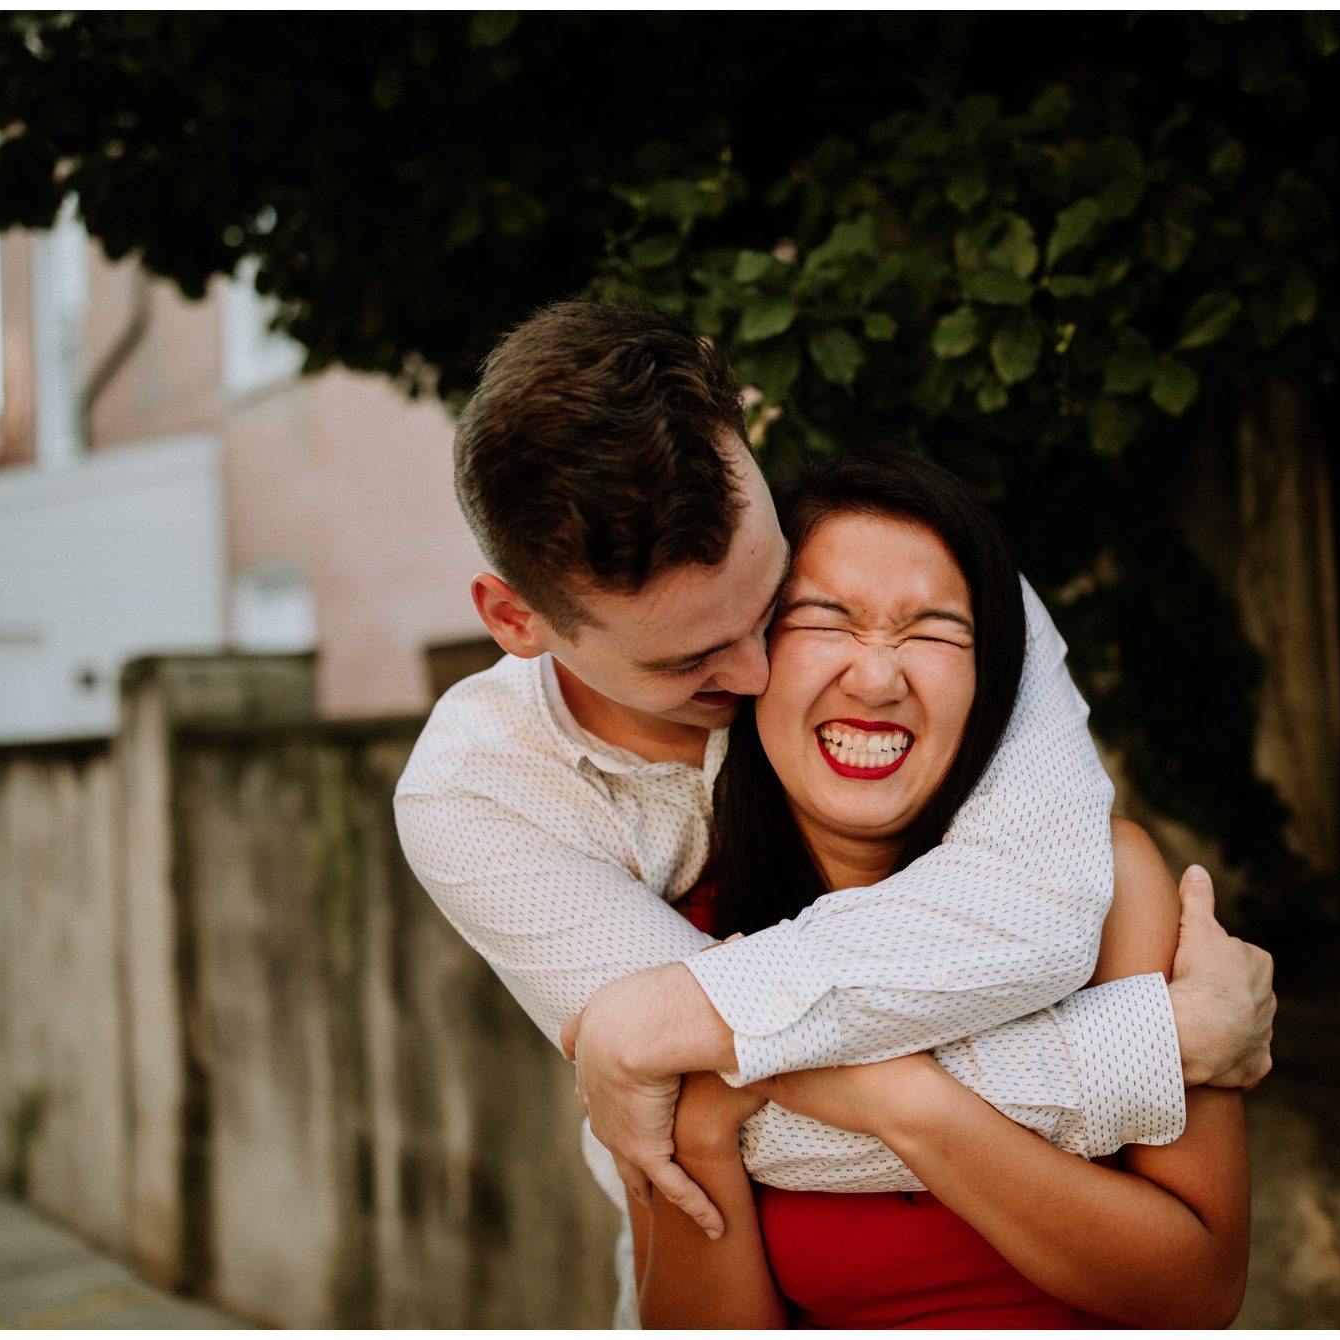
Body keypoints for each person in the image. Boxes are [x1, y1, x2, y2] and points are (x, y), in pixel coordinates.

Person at [392, 300, 1275, 1325]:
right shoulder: (481, 792)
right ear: (515, 620)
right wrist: (1151, 1044)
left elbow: (1029, 915)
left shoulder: (903, 572)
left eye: (772, 602)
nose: (759, 666)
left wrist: (669, 1028)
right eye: (688, 662)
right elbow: (719, 1129)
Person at [633, 453, 1249, 1327]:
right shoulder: (683, 939)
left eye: (931, 632)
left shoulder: (1103, 890)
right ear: (749, 653)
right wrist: (699, 1130)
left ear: (995, 678)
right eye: (825, 620)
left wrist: (902, 1100)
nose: (877, 679)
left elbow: (1197, 1295)